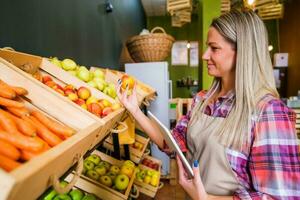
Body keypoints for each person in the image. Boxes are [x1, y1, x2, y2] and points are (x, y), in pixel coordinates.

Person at [117, 9, 300, 200]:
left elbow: (281, 197)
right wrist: (135, 110)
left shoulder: (268, 112)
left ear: (242, 53)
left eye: (214, 48)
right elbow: (171, 143)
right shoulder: (203, 99)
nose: (204, 55)